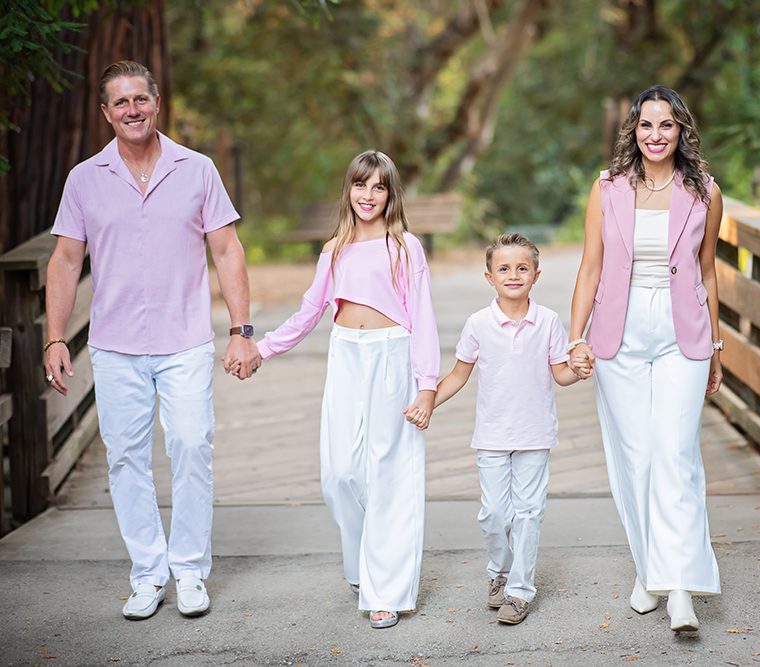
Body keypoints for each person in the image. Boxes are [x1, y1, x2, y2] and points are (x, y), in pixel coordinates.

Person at [43, 60, 260, 620]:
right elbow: (65, 261)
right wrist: (55, 338)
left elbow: (227, 251)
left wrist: (241, 332)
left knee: (191, 445)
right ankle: (148, 573)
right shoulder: (84, 178)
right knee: (125, 460)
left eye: (140, 99)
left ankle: (188, 570)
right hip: (115, 345)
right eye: (121, 102)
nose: (132, 110)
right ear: (105, 112)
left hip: (185, 340)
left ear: (157, 103)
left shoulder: (198, 169)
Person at [254, 150, 438, 629]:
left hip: (391, 353)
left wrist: (426, 387)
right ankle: (361, 564)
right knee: (340, 473)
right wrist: (263, 349)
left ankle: (386, 590)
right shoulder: (335, 248)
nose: (368, 195)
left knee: (388, 471)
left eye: (379, 187)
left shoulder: (405, 247)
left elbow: (423, 318)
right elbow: (309, 311)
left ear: (390, 194)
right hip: (346, 355)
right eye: (361, 185)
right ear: (349, 190)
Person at [567, 85, 724, 632]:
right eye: (646, 125)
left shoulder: (705, 191)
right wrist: (575, 337)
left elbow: (708, 271)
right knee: (636, 459)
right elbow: (590, 266)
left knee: (675, 454)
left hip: (685, 334)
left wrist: (716, 348)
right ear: (634, 131)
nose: (655, 135)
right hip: (620, 330)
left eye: (666, 125)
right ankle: (649, 569)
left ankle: (679, 588)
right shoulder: (607, 188)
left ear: (682, 131)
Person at [426, 233, 579, 625]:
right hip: (492, 435)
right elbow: (458, 375)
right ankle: (500, 570)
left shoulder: (548, 321)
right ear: (489, 277)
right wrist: (426, 402)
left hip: (535, 433)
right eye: (504, 268)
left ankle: (520, 591)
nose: (514, 275)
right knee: (494, 514)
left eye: (522, 268)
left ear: (536, 275)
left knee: (528, 513)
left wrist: (578, 370)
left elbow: (561, 373)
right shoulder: (478, 324)